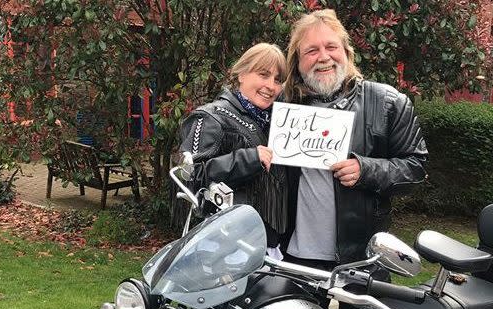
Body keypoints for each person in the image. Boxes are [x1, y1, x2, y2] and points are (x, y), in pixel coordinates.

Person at [282, 9, 428, 270]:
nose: (323, 57)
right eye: (311, 51)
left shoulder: (387, 103)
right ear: (298, 61)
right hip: (295, 257)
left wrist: (366, 170)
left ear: (347, 53)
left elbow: (415, 169)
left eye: (331, 46)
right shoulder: (284, 108)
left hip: (363, 257)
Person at [178, 43, 288, 253]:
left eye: (278, 80)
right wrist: (248, 159)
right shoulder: (211, 116)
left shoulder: (278, 123)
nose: (271, 86)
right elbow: (189, 177)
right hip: (222, 245)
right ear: (241, 74)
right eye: (263, 75)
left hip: (270, 246)